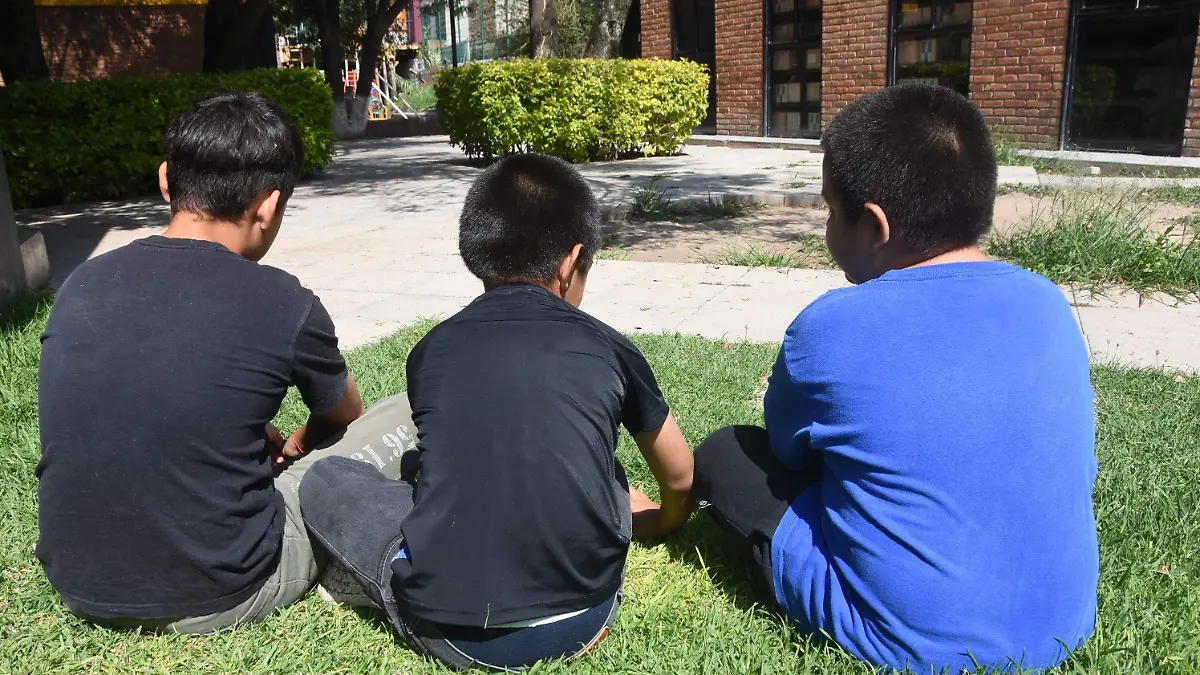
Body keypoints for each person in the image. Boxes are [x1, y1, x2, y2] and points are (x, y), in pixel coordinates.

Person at [691, 84, 1100, 673]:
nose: (830, 228)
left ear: (876, 226)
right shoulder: (1049, 302)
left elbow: (789, 454)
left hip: (914, 646)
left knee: (729, 452)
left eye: (833, 212)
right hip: (1065, 623)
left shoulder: (830, 327)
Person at [299, 152, 695, 671]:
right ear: (571, 263)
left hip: (449, 631)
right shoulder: (609, 346)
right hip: (586, 615)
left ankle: (369, 574)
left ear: (476, 254)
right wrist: (661, 520)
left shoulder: (430, 351)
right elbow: (682, 474)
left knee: (328, 479)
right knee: (604, 467)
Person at [35, 91, 413, 633]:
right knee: (401, 411)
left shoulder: (82, 283)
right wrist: (302, 438)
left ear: (167, 180)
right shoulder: (285, 301)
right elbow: (344, 414)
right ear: (268, 205)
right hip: (223, 589)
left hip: (80, 585)